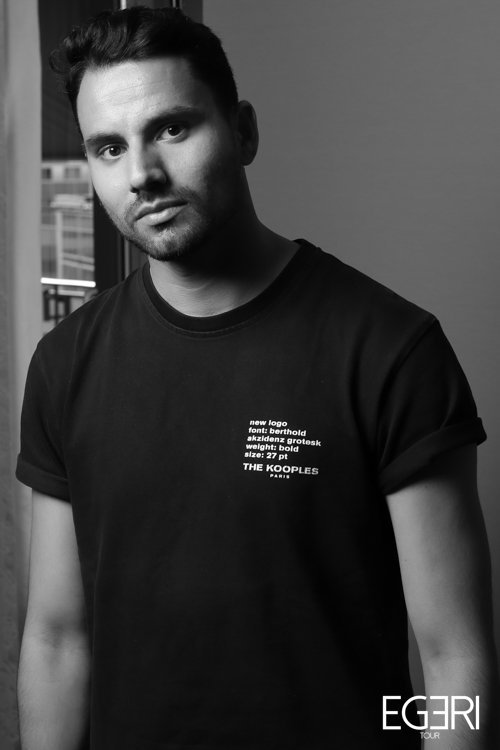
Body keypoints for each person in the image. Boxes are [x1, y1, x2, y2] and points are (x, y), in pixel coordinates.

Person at [16, 6, 499, 750]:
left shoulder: (390, 349)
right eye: (109, 148)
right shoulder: (64, 364)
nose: (141, 175)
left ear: (242, 131)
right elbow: (56, 640)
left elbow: (455, 661)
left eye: (171, 129)